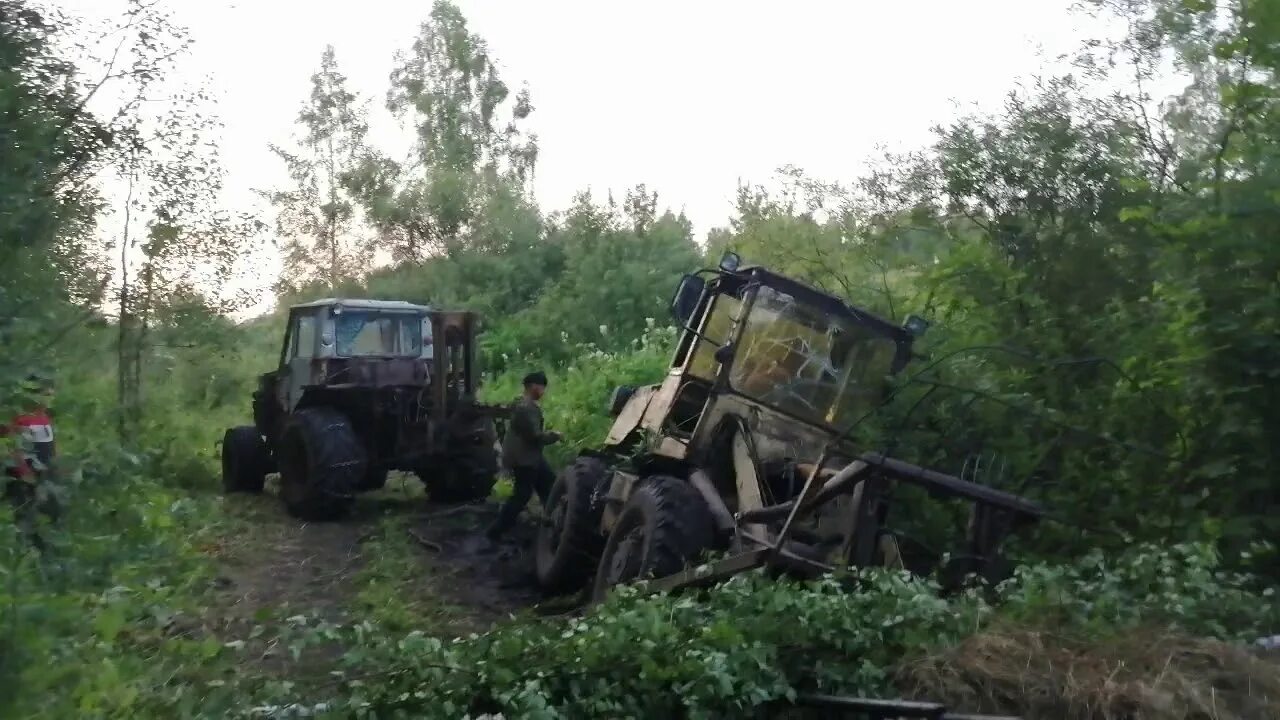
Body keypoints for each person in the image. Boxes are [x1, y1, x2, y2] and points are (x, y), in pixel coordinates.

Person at [486, 371, 560, 542]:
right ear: (534, 386)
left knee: (549, 483)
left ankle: (552, 521)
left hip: (528, 456)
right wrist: (554, 435)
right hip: (525, 459)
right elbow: (534, 436)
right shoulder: (527, 408)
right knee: (522, 495)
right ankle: (495, 531)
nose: (543, 392)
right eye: (542, 387)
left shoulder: (522, 404)